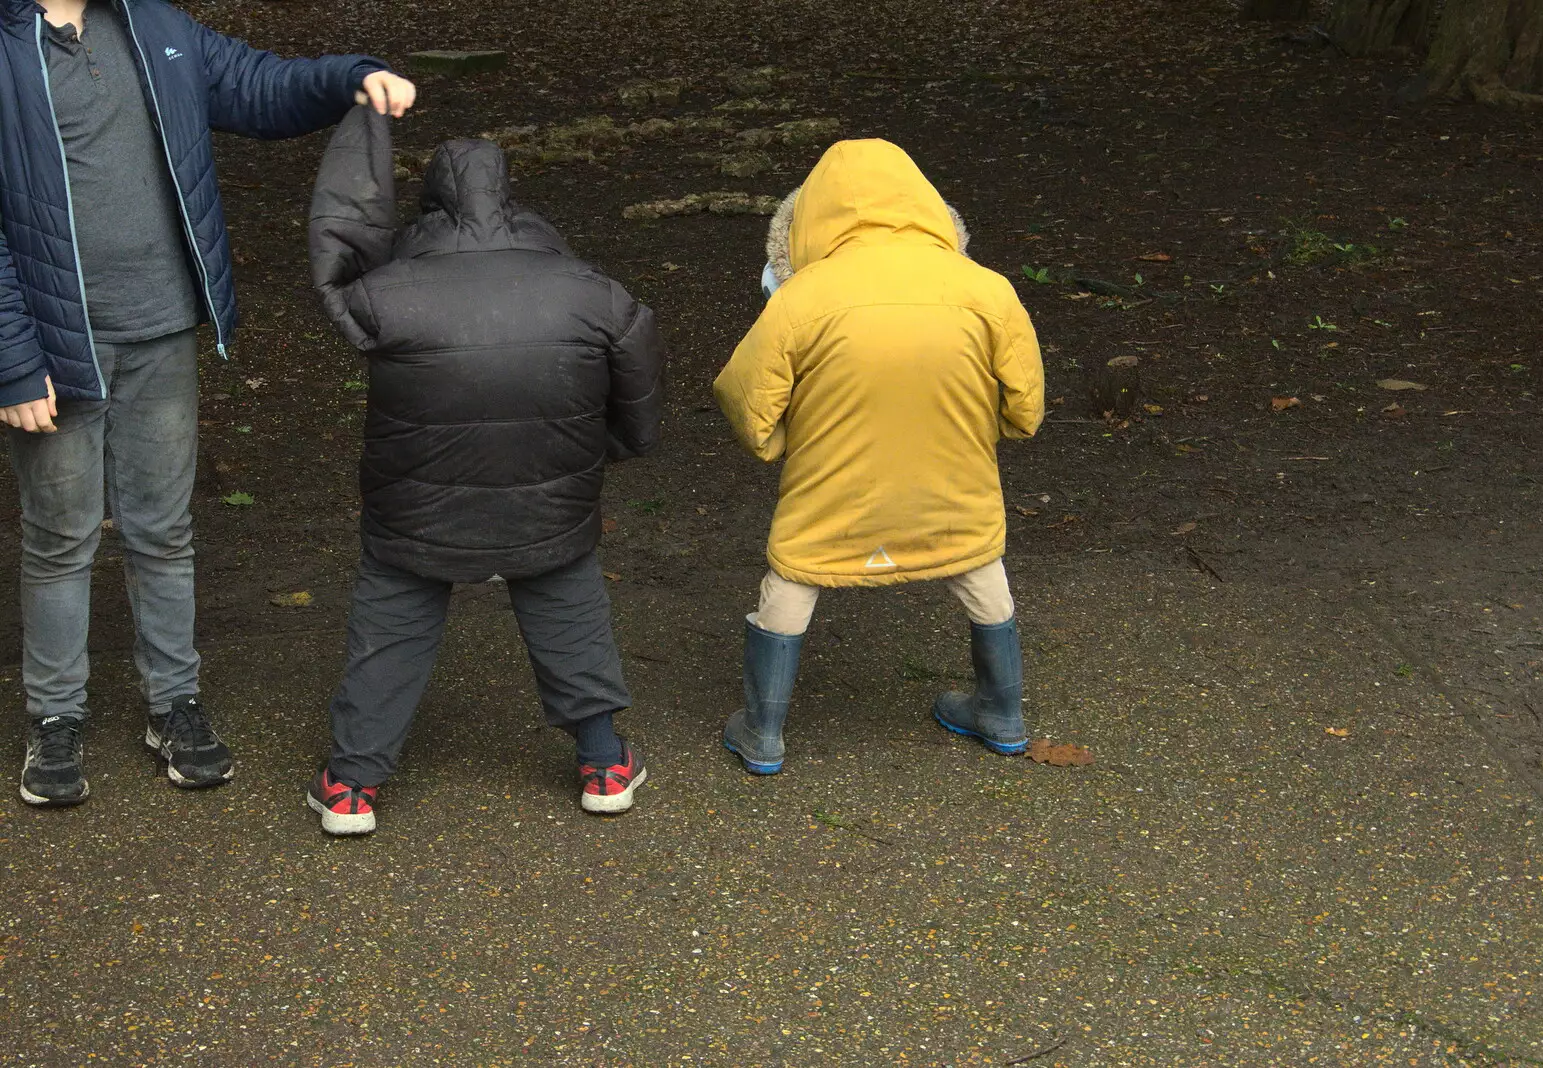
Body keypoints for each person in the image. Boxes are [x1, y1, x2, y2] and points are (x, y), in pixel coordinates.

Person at [0, 0, 416, 807]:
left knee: (163, 529)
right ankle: (55, 719)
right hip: (58, 344)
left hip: (162, 328)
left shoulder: (152, 24)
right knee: (60, 537)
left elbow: (261, 86)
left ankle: (174, 705)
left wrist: (352, 74)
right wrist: (13, 364)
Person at [304, 107, 664, 835]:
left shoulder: (385, 293)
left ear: (432, 202)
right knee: (566, 603)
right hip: (550, 500)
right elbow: (639, 384)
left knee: (394, 621)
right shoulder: (589, 289)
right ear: (510, 198)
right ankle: (603, 763)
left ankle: (350, 786)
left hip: (415, 509)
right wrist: (609, 450)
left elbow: (341, 255)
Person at [713, 138, 1045, 775]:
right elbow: (1026, 408)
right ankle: (1002, 715)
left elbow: (747, 402)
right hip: (952, 480)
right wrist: (986, 430)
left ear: (809, 220)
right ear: (927, 208)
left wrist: (781, 444)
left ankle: (763, 731)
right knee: (977, 560)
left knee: (796, 571)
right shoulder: (987, 290)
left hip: (832, 484)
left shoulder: (801, 299)